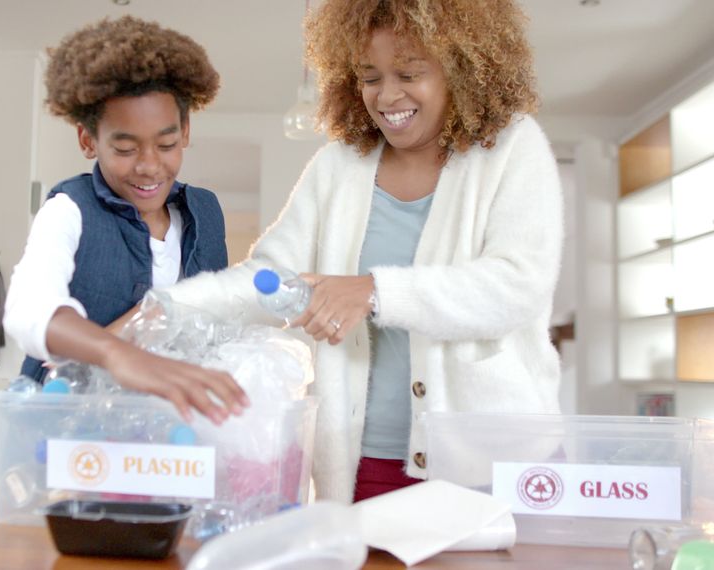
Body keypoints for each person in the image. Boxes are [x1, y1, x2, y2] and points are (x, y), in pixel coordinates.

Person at [156, 0, 562, 502]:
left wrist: (373, 292)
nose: (387, 96)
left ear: (461, 66)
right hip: (360, 466)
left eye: (410, 73)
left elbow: (516, 285)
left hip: (493, 464)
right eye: (370, 77)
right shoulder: (337, 167)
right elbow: (269, 280)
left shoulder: (510, 149)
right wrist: (160, 313)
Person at [4, 16, 249, 425]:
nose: (150, 167)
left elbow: (212, 316)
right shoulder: (69, 208)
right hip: (65, 427)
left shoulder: (205, 213)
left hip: (163, 426)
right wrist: (118, 352)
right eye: (125, 148)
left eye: (166, 144)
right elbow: (28, 309)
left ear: (185, 131)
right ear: (88, 139)